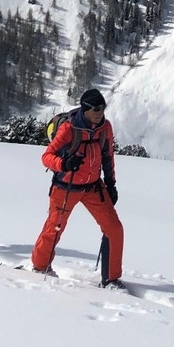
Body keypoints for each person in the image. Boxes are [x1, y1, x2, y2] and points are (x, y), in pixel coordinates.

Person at [31, 88, 124, 289]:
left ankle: (111, 279)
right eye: (97, 109)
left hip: (93, 187)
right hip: (66, 186)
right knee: (55, 227)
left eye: (103, 108)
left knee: (114, 229)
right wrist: (64, 164)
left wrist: (111, 184)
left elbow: (108, 157)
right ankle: (40, 267)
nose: (101, 112)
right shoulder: (69, 128)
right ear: (85, 109)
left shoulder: (105, 128)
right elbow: (46, 157)